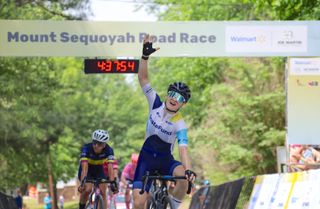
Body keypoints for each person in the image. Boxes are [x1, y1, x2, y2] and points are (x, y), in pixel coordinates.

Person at [133, 34, 197, 209]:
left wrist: (189, 169)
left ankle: (173, 206)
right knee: (139, 204)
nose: (174, 98)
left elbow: (183, 150)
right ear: (168, 94)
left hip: (165, 160)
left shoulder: (179, 123)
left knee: (183, 177)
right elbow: (143, 79)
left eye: (180, 98)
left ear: (183, 104)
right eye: (173, 94)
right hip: (145, 160)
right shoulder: (155, 103)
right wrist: (144, 56)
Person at [77, 129, 118, 209]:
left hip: (99, 169)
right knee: (88, 189)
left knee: (103, 191)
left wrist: (113, 182)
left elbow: (110, 167)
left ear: (104, 145)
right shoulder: (86, 148)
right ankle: (81, 207)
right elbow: (84, 167)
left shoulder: (109, 150)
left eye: (99, 144)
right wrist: (82, 182)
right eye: (94, 142)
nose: (96, 145)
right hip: (87, 169)